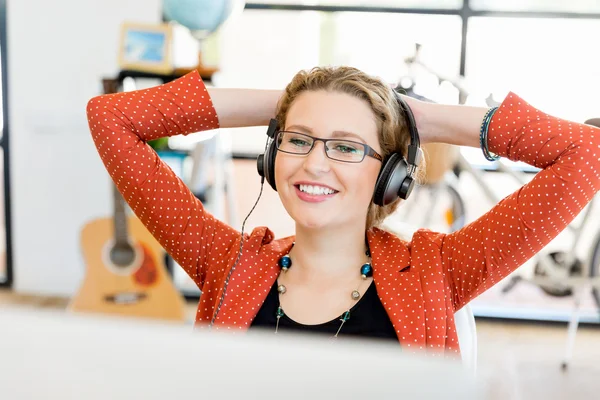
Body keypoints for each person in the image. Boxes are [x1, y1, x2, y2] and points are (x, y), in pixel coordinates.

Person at [86, 66, 600, 357]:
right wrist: (291, 102)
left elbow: (588, 153)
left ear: (389, 174)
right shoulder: (228, 262)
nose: (314, 163)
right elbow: (111, 117)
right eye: (299, 139)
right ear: (271, 152)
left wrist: (420, 117)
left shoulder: (437, 271)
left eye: (347, 147)